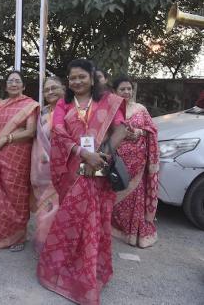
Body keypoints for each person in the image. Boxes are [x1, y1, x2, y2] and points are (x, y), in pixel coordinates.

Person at [37, 59, 127, 305]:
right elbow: (58, 132)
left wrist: (102, 156)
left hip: (99, 171)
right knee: (71, 220)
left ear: (91, 76)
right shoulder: (63, 104)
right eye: (72, 78)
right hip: (72, 170)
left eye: (82, 77)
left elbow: (121, 129)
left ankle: (90, 272)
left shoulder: (107, 101)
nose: (77, 82)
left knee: (93, 222)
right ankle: (65, 270)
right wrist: (84, 154)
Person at [0, 71, 39, 252]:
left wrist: (6, 138)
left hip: (18, 155)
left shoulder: (30, 105)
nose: (13, 84)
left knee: (16, 193)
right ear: (6, 85)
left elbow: (30, 131)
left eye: (17, 81)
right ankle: (0, 232)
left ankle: (18, 236)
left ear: (23, 86)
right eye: (10, 81)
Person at [111, 76, 158, 248]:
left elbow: (152, 128)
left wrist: (138, 132)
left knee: (135, 195)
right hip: (118, 159)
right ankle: (115, 227)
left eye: (129, 89)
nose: (126, 92)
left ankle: (132, 233)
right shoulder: (112, 110)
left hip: (138, 159)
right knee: (117, 192)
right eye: (122, 89)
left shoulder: (140, 109)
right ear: (115, 92)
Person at [30, 76, 65, 255]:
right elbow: (38, 142)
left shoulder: (69, 110)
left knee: (58, 208)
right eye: (46, 90)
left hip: (62, 169)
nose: (50, 92)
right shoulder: (43, 112)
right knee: (44, 207)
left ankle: (55, 247)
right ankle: (43, 243)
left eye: (54, 88)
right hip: (42, 169)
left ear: (63, 89)